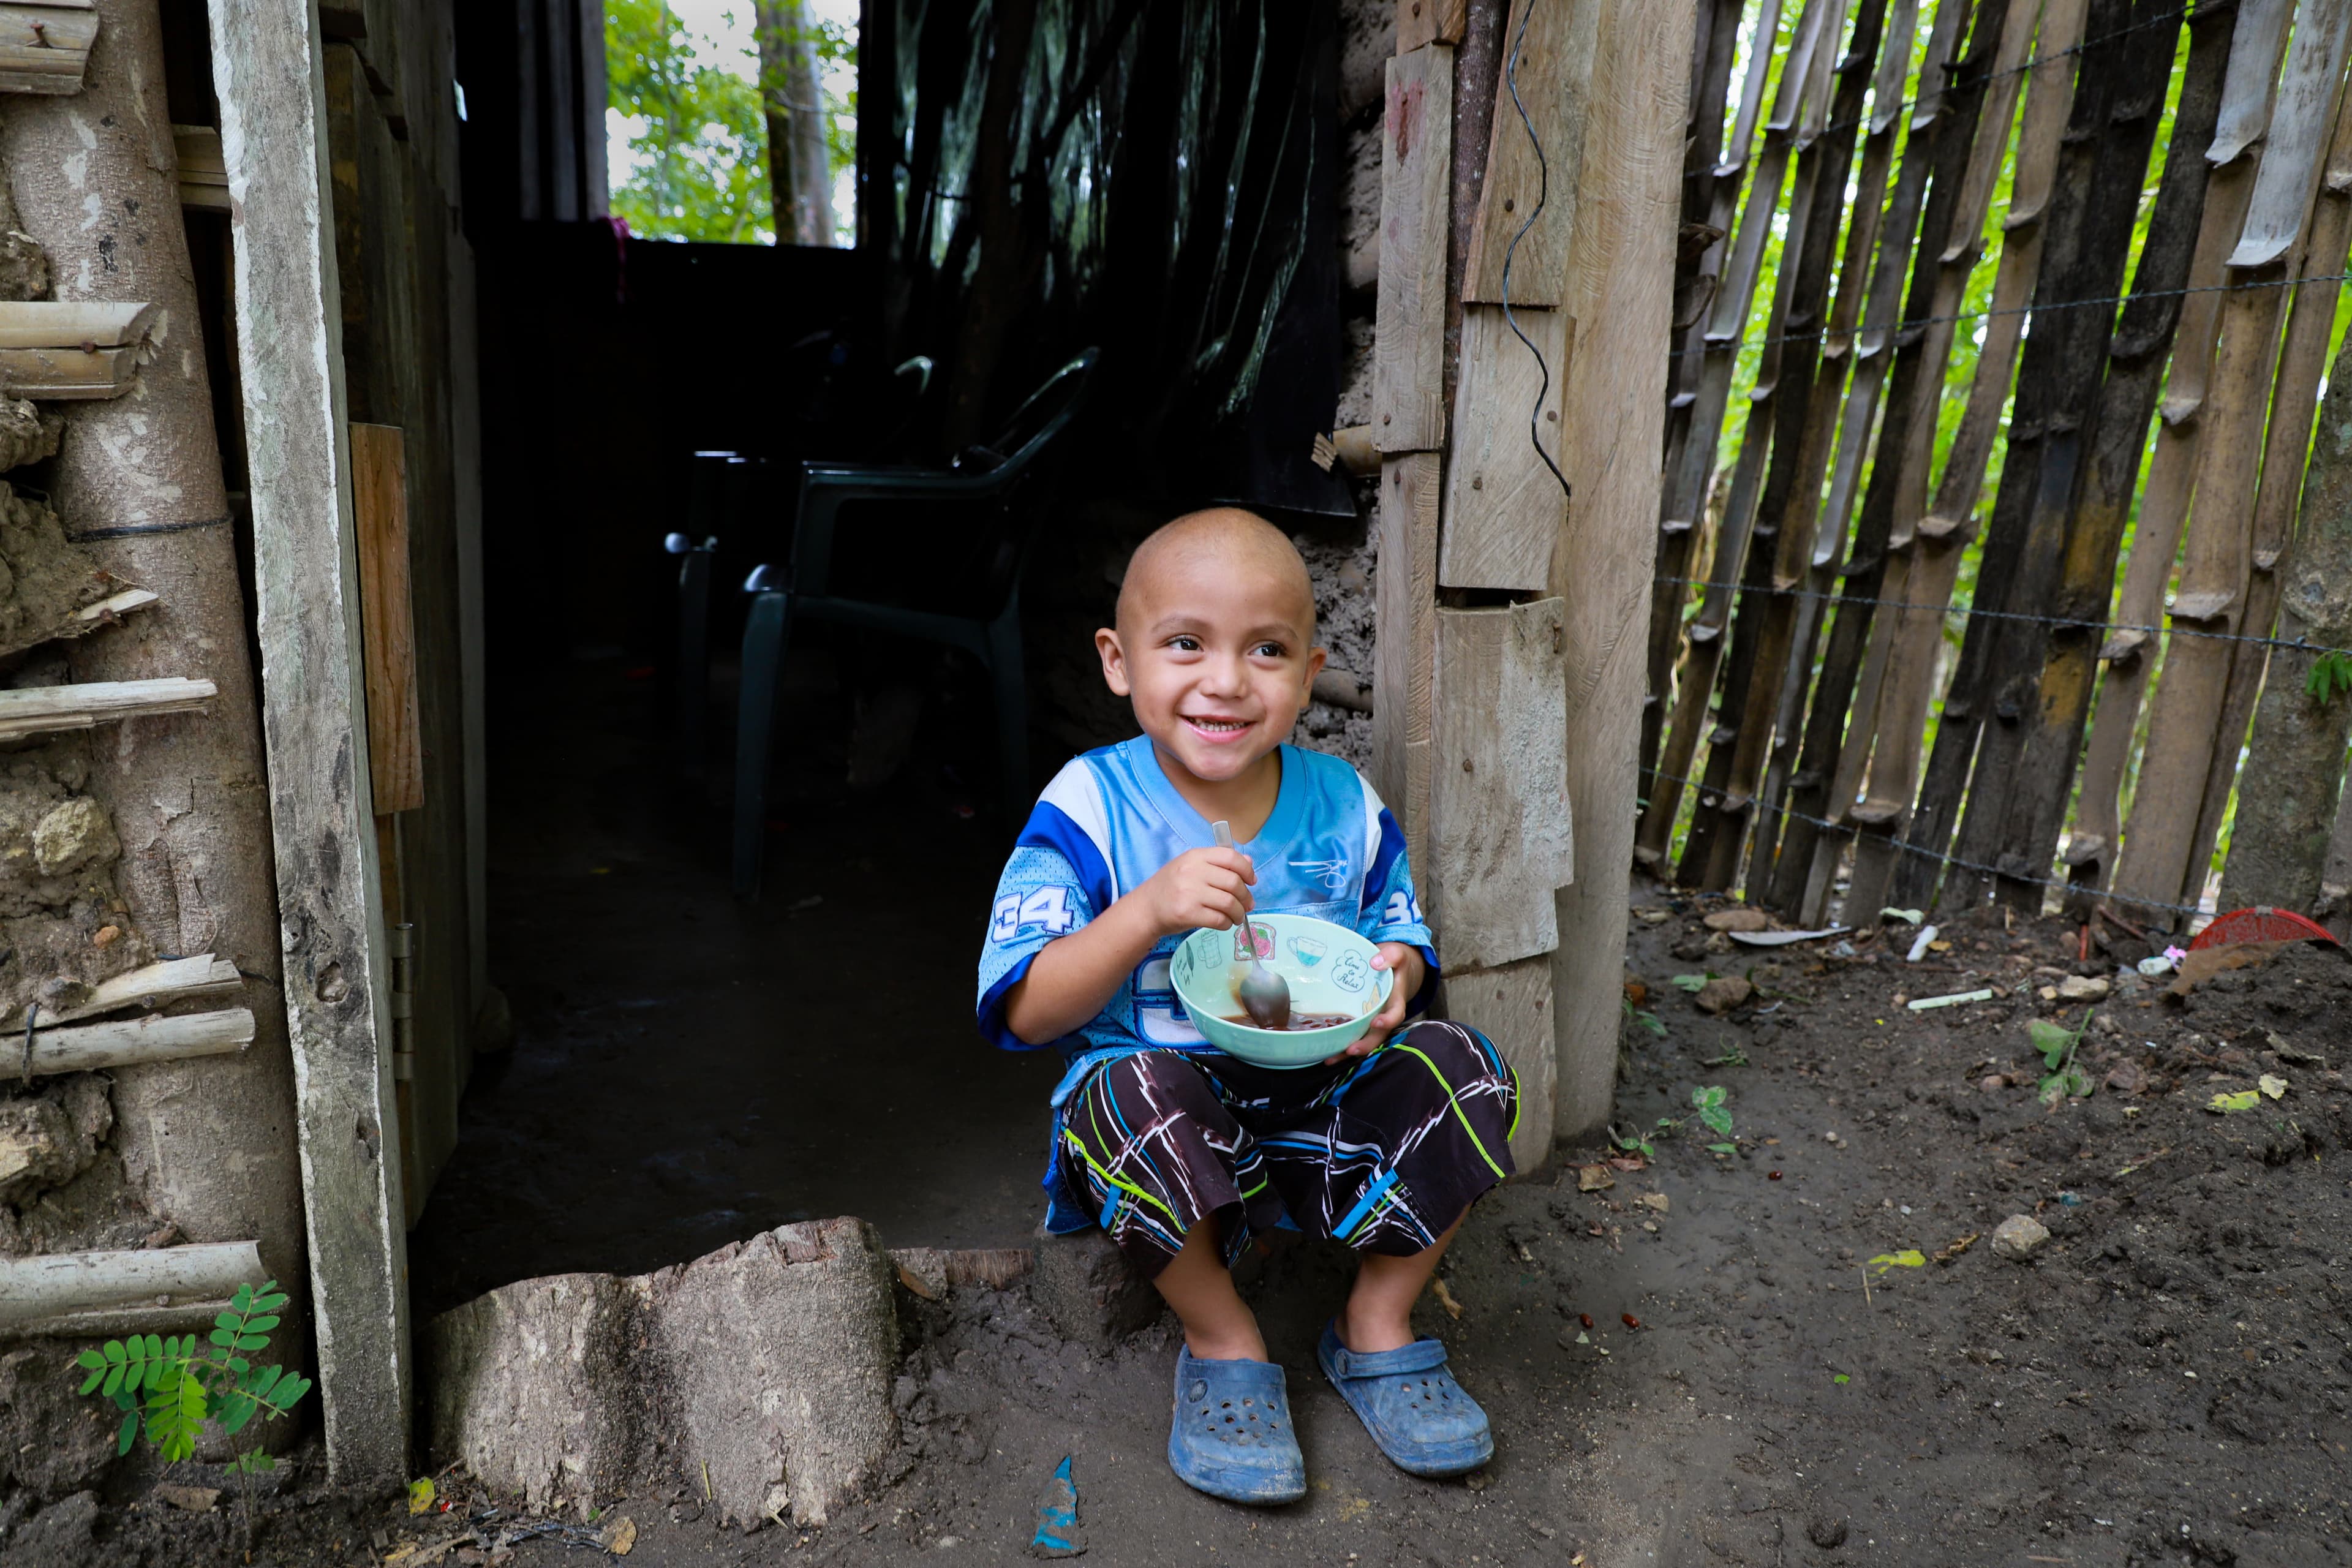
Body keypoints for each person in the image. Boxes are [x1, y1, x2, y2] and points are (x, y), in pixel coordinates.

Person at [974, 507, 1518, 1505]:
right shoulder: (1090, 804)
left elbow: (1400, 939)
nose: (1226, 681)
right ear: (1118, 660)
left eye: (1265, 650)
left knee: (1468, 1063)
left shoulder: (1345, 802)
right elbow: (1025, 1014)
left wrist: (1395, 979)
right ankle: (1221, 1335)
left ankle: (1376, 1323)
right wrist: (1146, 911)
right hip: (1169, 1123)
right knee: (1128, 1090)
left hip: (1325, 1105)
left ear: (1309, 672)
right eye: (1185, 643)